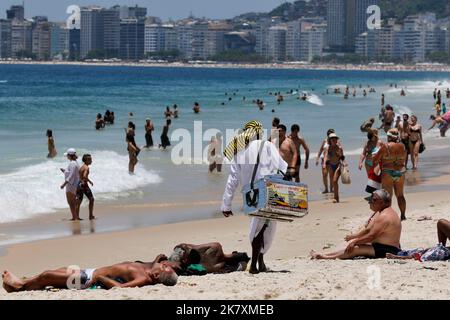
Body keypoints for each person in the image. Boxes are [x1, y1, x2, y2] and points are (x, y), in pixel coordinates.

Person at [221, 121, 287, 274]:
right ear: (259, 133)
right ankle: (255, 264)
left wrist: (226, 205)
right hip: (269, 190)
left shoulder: (239, 151)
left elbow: (232, 180)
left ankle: (259, 263)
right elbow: (282, 166)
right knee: (266, 226)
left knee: (256, 226)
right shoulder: (267, 146)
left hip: (250, 194)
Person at [310, 189, 402, 260]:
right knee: (352, 243)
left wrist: (355, 241)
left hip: (387, 249)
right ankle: (325, 253)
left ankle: (325, 257)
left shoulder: (384, 216)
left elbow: (371, 236)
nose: (371, 202)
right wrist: (354, 239)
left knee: (355, 248)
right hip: (385, 246)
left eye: (374, 200)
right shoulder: (384, 212)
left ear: (381, 202)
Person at [2, 260, 177, 292]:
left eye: (163, 268)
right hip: (90, 271)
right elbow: (156, 264)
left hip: (87, 279)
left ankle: (19, 287)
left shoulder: (144, 279)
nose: (163, 265)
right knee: (57, 270)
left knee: (48, 275)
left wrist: (101, 279)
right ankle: (23, 283)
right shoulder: (147, 270)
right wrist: (157, 259)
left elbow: (119, 289)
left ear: (156, 277)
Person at [372, 129, 407, 220]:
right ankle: (403, 215)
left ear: (390, 137)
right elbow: (404, 158)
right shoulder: (402, 146)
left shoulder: (385, 146)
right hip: (400, 171)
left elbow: (375, 160)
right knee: (400, 195)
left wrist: (376, 149)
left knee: (387, 196)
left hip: (388, 171)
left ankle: (389, 217)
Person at [167, 242, 250, 274]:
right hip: (181, 262)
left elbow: (192, 246)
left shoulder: (217, 247)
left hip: (180, 257)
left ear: (234, 254)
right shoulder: (220, 265)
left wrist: (185, 248)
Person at [323, 133, 345, 203]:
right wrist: (324, 163)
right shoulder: (327, 148)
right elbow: (326, 155)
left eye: (335, 138)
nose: (334, 140)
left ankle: (336, 198)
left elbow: (342, 157)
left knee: (335, 181)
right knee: (333, 181)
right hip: (330, 165)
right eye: (333, 139)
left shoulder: (339, 147)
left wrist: (340, 155)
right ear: (330, 140)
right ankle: (336, 197)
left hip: (338, 165)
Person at [60, 148, 81, 221]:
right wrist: (65, 171)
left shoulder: (72, 163)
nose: (66, 157)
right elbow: (74, 173)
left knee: (70, 202)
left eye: (67, 155)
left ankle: (74, 217)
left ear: (69, 155)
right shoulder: (76, 162)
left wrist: (64, 184)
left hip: (71, 185)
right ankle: (75, 216)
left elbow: (71, 175)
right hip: (74, 184)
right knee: (73, 201)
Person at [316, 129, 337, 194]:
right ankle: (326, 189)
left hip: (331, 161)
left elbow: (339, 150)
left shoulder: (335, 141)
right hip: (324, 160)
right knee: (324, 175)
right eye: (329, 134)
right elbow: (320, 150)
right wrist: (317, 158)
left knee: (331, 175)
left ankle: (331, 189)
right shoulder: (325, 141)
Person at [76, 154, 95, 220]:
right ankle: (90, 215)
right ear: (86, 160)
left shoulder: (82, 167)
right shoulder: (86, 167)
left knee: (78, 201)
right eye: (90, 159)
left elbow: (80, 176)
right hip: (84, 185)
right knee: (92, 199)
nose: (91, 160)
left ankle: (77, 217)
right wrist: (89, 181)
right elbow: (84, 176)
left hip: (79, 185)